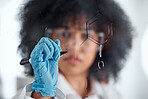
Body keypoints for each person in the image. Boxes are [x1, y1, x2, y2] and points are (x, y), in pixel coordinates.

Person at [13, 0, 133, 99]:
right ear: (47, 37)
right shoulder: (29, 93)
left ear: (102, 42)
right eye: (65, 34)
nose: (75, 47)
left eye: (86, 36)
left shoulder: (111, 94)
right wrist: (42, 94)